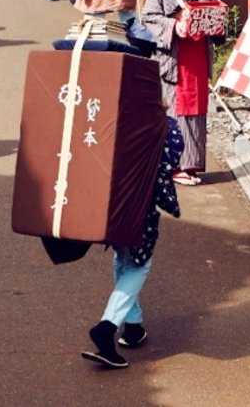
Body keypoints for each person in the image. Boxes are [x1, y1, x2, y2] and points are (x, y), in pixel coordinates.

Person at [81, 118, 183, 369]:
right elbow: (165, 169)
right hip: (139, 209)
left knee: (125, 258)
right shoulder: (162, 126)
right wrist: (170, 203)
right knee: (139, 265)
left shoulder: (112, 118)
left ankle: (134, 326)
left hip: (110, 205)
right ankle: (107, 326)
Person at [140, 0, 222, 186]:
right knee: (178, 108)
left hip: (197, 52)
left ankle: (192, 163)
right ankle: (175, 165)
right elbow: (149, 17)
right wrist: (175, 27)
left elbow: (213, 5)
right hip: (177, 55)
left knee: (197, 110)